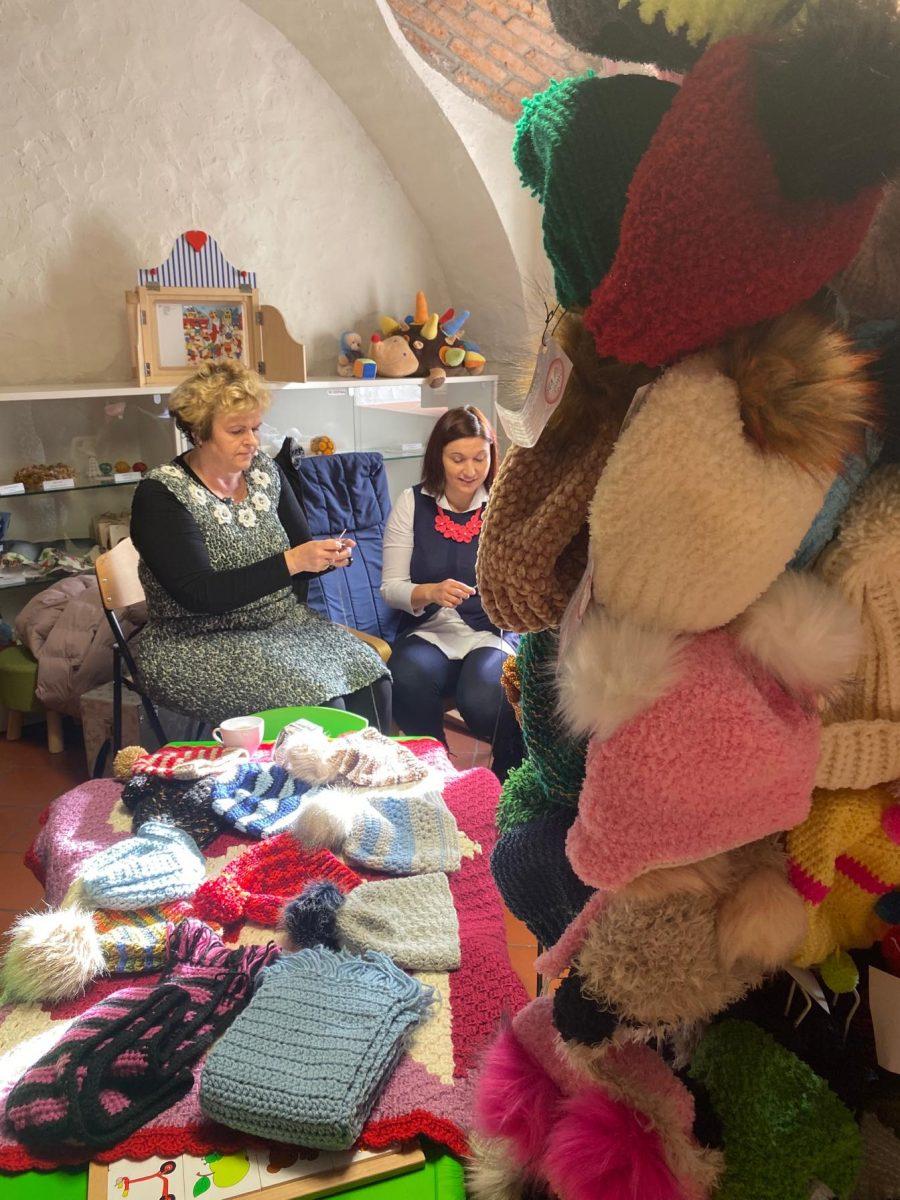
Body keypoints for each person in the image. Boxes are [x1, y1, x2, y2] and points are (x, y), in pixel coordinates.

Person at [130, 360, 390, 729]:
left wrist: (323, 557)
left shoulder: (264, 471)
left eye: (255, 427)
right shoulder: (163, 494)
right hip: (194, 640)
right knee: (320, 700)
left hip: (279, 625)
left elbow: (299, 551)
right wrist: (293, 562)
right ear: (200, 433)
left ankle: (370, 766)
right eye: (237, 431)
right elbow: (200, 594)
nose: (252, 441)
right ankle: (315, 768)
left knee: (371, 675)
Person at [381, 405, 522, 779]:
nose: (470, 470)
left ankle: (507, 777)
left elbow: (523, 584)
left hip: (490, 633)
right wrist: (429, 591)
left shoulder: (504, 505)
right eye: (457, 459)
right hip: (430, 632)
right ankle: (435, 773)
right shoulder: (412, 503)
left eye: (480, 458)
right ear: (438, 457)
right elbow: (391, 588)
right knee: (405, 677)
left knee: (486, 696)